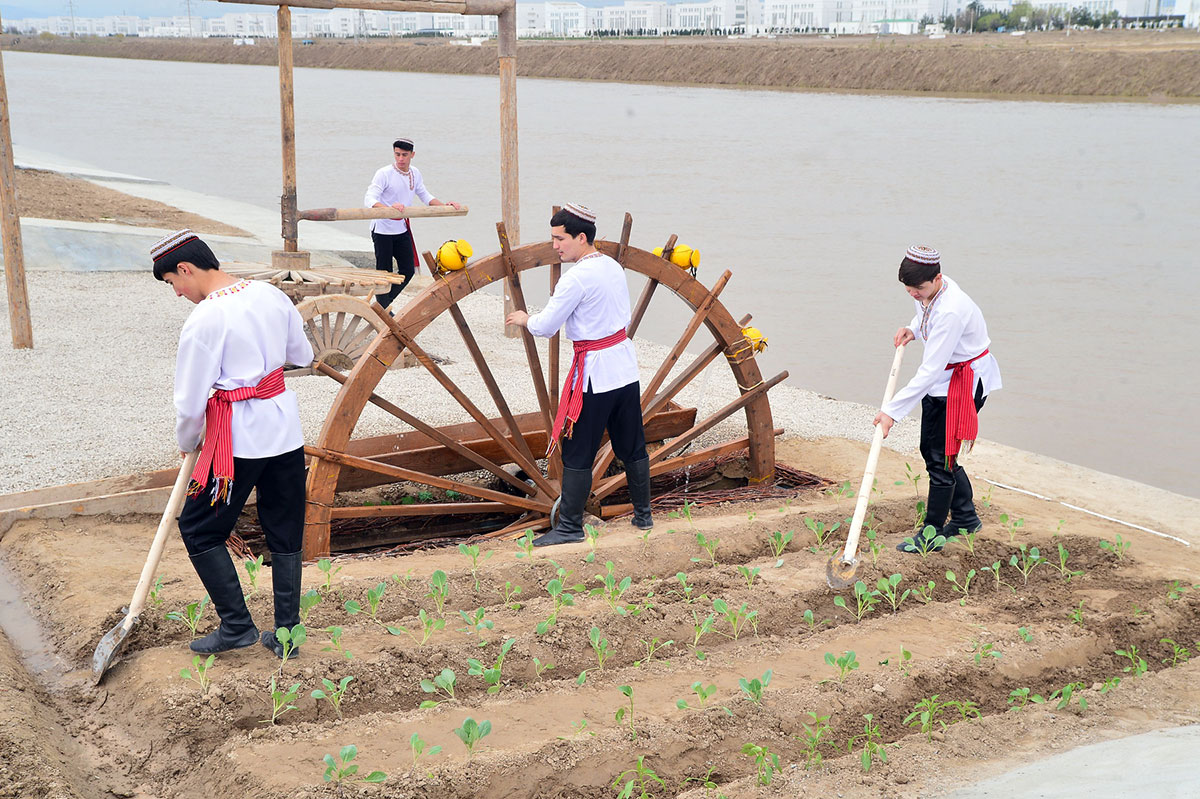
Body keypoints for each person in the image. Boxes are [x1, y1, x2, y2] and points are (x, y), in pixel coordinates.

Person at [152, 229, 315, 656]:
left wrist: (188, 441)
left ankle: (237, 626)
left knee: (199, 527)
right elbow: (304, 356)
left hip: (237, 440)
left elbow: (189, 402)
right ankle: (286, 635)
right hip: (284, 427)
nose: (177, 292)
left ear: (185, 269)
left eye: (173, 282)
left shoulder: (205, 319)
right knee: (284, 527)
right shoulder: (270, 294)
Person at [505, 203, 653, 546]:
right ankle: (643, 516)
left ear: (581, 237)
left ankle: (570, 527)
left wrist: (525, 318)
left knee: (577, 452)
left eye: (560, 239)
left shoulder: (576, 278)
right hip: (624, 369)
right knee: (631, 444)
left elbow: (546, 326)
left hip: (594, 376)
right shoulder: (613, 267)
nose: (555, 246)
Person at [873, 245, 1002, 553]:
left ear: (937, 278)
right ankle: (965, 518)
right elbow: (924, 311)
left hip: (962, 384)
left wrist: (891, 412)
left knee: (941, 456)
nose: (914, 295)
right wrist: (913, 329)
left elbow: (929, 371)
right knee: (936, 452)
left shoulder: (951, 311)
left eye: (918, 288)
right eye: (908, 290)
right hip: (945, 380)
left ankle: (931, 534)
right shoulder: (933, 292)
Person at [364, 137, 461, 308]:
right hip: (382, 231)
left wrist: (445, 206)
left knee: (408, 270)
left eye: (404, 155)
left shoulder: (415, 173)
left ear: (412, 155)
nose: (400, 159)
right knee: (384, 274)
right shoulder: (384, 173)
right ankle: (383, 308)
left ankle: (382, 306)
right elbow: (369, 198)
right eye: (397, 154)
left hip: (401, 229)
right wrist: (388, 208)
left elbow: (425, 195)